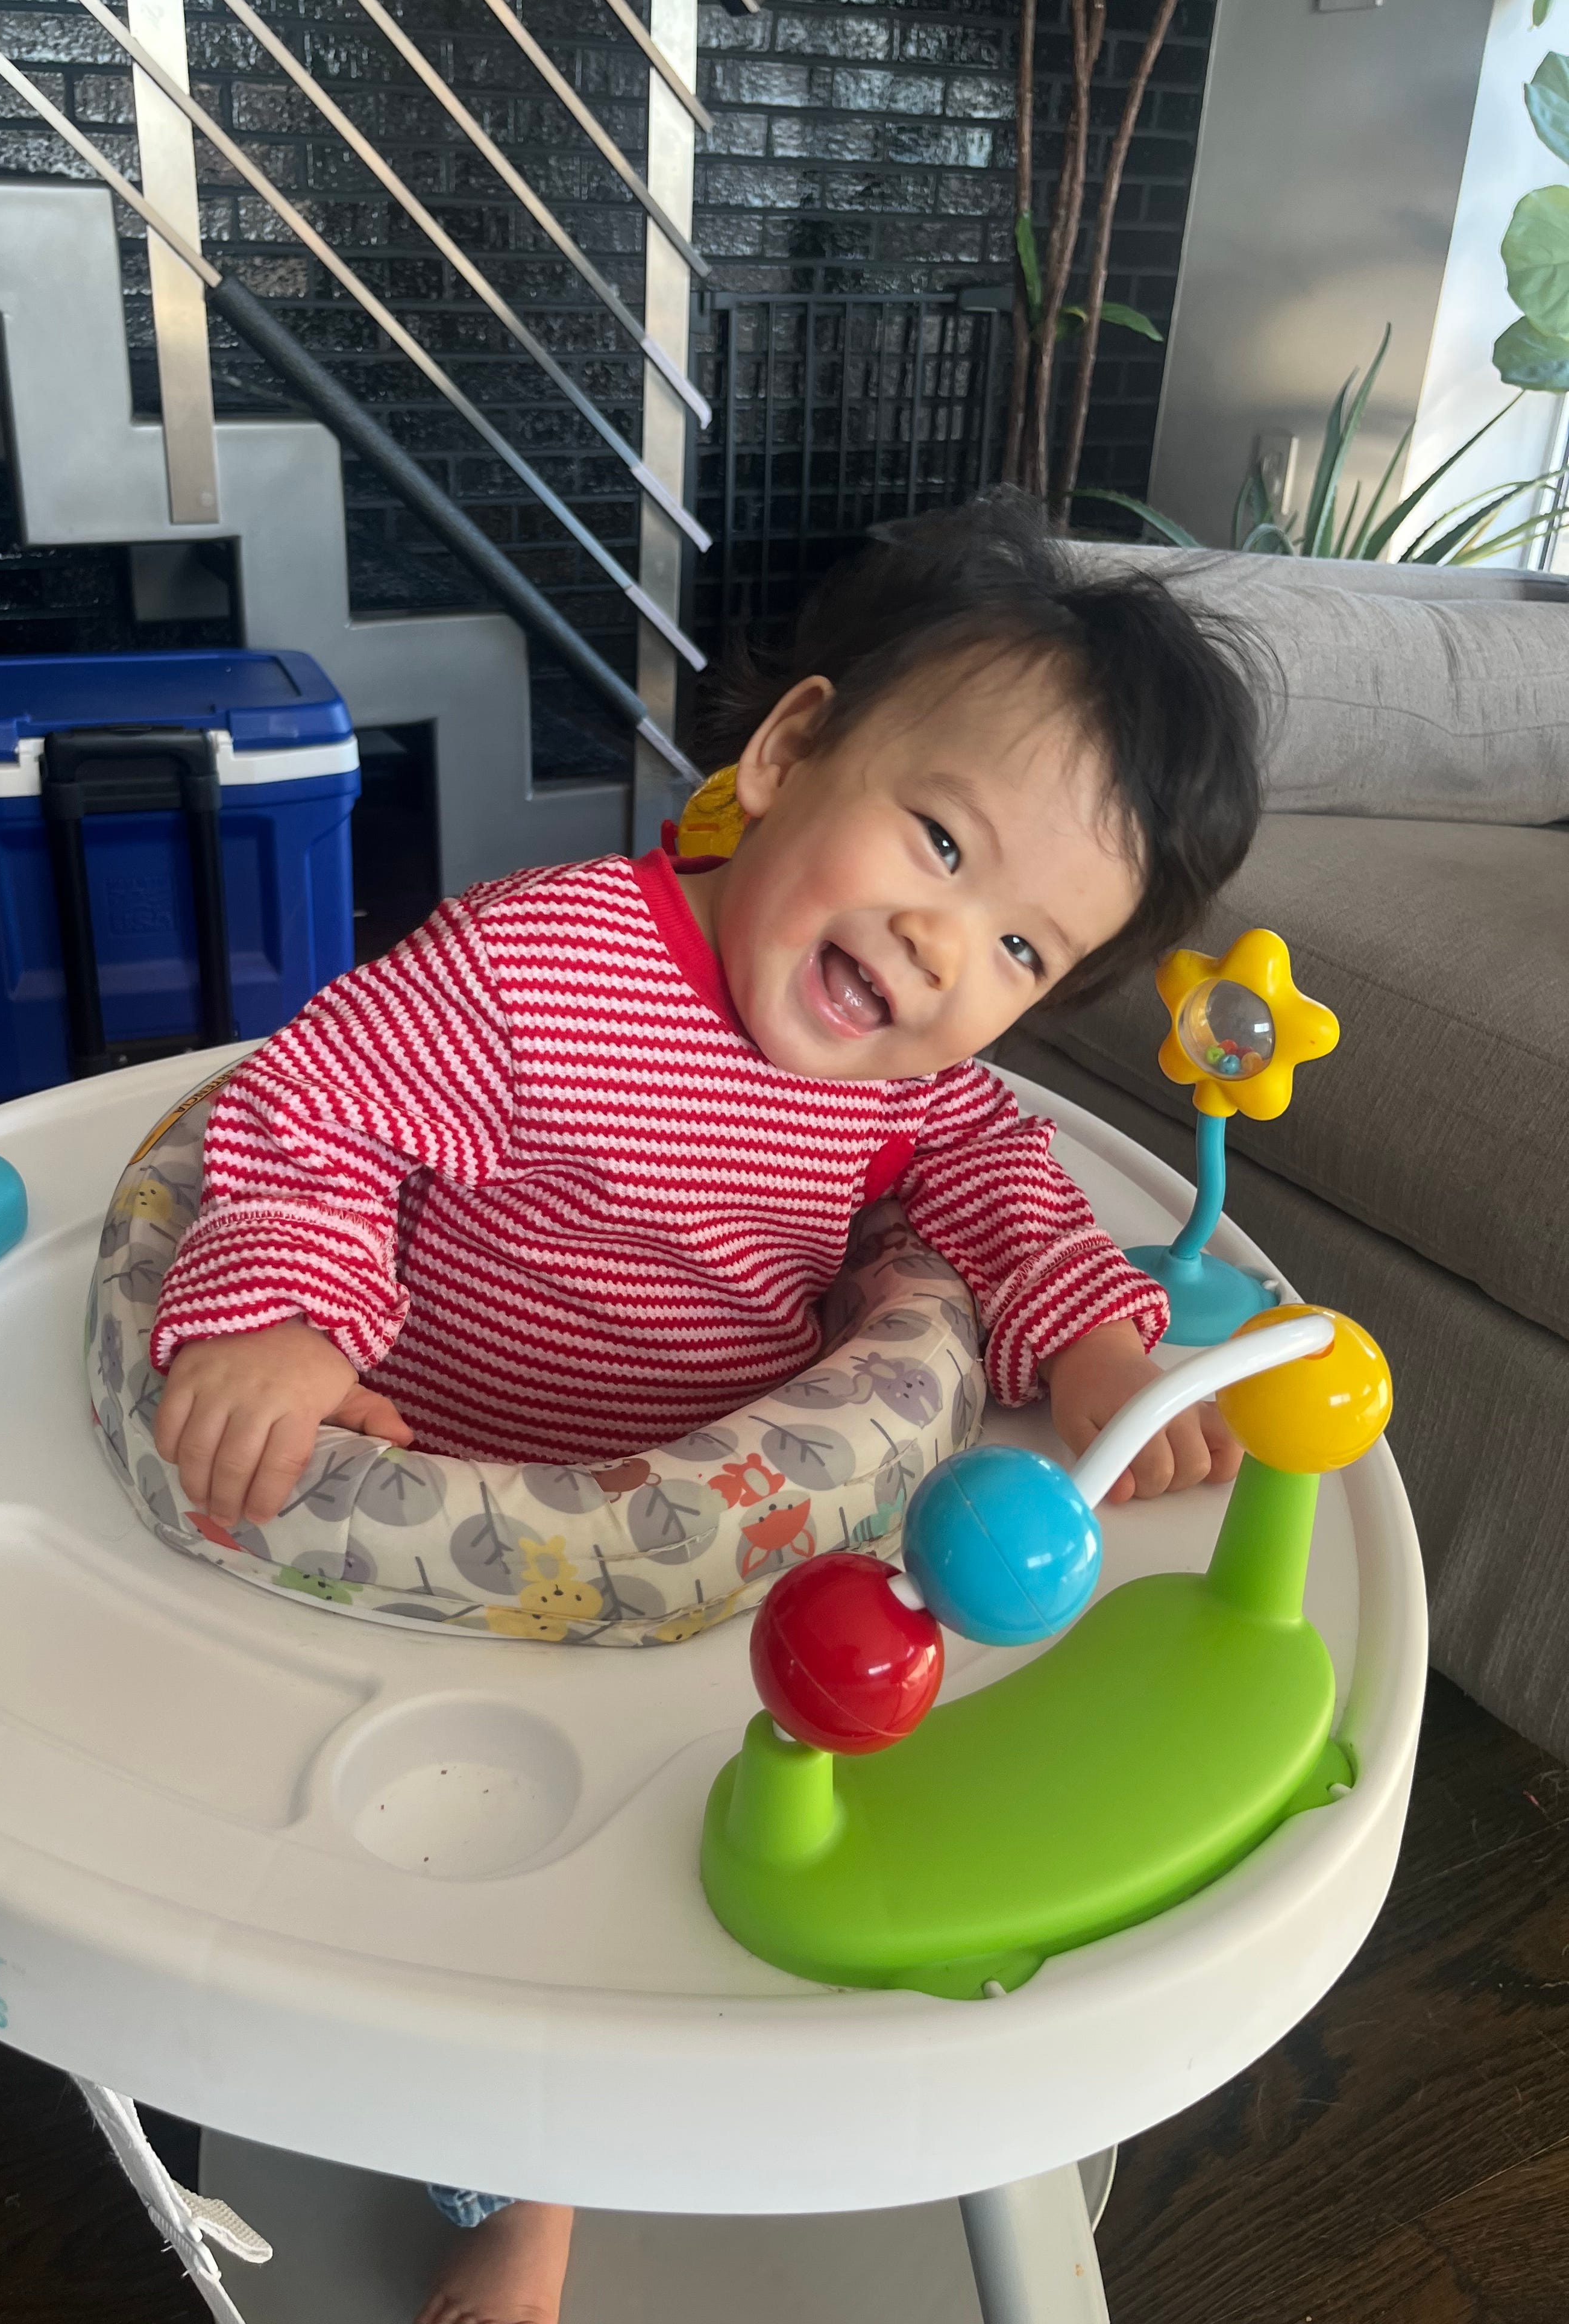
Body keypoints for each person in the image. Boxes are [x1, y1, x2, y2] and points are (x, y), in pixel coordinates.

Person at [149, 494, 1268, 2324]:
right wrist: (283, 1319)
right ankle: (517, 2180)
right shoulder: (538, 971)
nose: (942, 946)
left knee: (702, 1856)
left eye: (1022, 951)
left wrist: (1094, 1345)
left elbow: (1001, 1181)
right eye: (938, 841)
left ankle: (636, 2112)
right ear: (793, 748)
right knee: (466, 1889)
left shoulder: (905, 1080)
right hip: (437, 1524)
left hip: (716, 1546)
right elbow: (309, 1109)